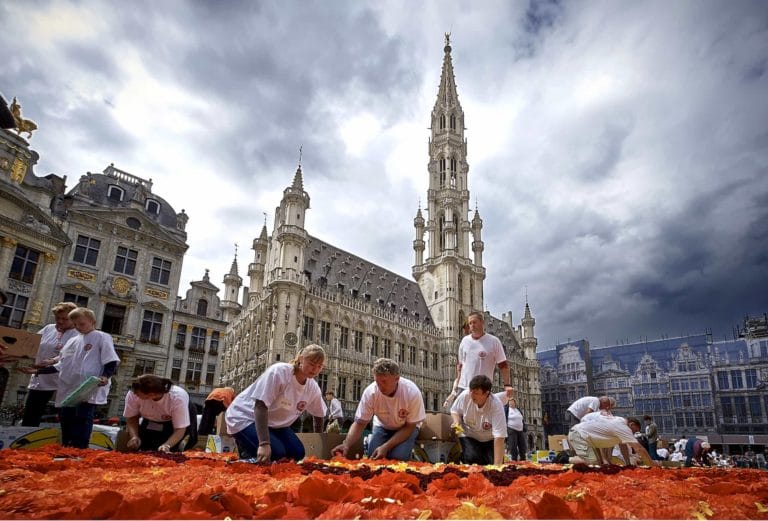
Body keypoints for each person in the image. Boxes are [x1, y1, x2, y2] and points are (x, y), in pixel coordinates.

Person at [20, 307, 120, 448]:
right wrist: (38, 371)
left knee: (83, 417)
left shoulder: (102, 337)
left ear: (93, 322)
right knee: (66, 417)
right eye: (76, 324)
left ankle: (80, 448)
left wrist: (105, 376)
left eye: (82, 324)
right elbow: (62, 364)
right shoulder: (72, 341)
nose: (79, 327)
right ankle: (67, 445)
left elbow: (111, 360)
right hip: (69, 386)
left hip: (88, 386)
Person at [226, 344, 327, 462]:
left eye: (319, 366)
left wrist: (319, 441)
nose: (315, 369)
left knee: (297, 453)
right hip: (245, 416)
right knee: (277, 454)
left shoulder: (313, 387)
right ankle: (246, 455)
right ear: (301, 359)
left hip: (274, 425)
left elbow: (319, 414)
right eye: (311, 364)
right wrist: (264, 444)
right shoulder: (280, 372)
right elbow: (260, 406)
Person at [332, 358, 425, 461]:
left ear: (397, 379)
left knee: (397, 457)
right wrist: (346, 444)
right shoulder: (371, 392)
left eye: (384, 381)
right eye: (377, 381)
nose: (380, 386)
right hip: (382, 426)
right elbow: (360, 423)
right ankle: (372, 441)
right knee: (374, 455)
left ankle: (410, 452)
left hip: (405, 428)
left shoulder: (412, 392)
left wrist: (386, 446)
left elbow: (409, 427)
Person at [21, 302, 79, 426]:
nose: (60, 321)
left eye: (65, 319)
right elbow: (31, 343)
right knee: (31, 415)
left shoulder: (78, 334)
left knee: (63, 417)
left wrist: (53, 360)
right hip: (41, 380)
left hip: (62, 381)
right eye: (58, 318)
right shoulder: (48, 328)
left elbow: (70, 353)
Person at [124, 374, 197, 452]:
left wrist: (167, 445)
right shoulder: (133, 394)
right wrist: (134, 436)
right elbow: (131, 418)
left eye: (137, 394)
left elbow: (180, 429)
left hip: (177, 418)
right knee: (145, 446)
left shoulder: (177, 398)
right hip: (149, 418)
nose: (134, 394)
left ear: (151, 395)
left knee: (175, 449)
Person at [450, 374, 507, 465]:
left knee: (493, 462)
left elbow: (499, 437)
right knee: (472, 459)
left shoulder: (496, 405)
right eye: (471, 391)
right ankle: (464, 456)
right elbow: (455, 410)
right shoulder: (465, 395)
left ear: (486, 393)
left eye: (476, 393)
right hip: (469, 435)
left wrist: (497, 468)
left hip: (489, 438)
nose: (472, 395)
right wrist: (456, 421)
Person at [456, 311, 513, 397]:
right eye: (470, 323)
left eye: (474, 322)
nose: (472, 325)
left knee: (481, 410)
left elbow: (503, 365)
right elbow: (460, 365)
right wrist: (457, 382)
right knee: (457, 410)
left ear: (482, 323)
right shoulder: (464, 341)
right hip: (464, 387)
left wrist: (507, 385)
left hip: (482, 389)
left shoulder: (494, 341)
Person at [568, 414, 656, 467]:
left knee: (598, 464)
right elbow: (639, 449)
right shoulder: (623, 427)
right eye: (634, 431)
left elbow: (623, 446)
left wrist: (628, 464)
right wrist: (652, 466)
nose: (633, 434)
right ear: (631, 424)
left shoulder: (620, 424)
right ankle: (567, 459)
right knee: (593, 462)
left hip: (584, 436)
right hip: (579, 435)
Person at [504, 397, 527, 461]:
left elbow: (522, 419)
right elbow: (503, 418)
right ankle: (514, 460)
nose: (511, 403)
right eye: (510, 402)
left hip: (520, 430)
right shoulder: (507, 409)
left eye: (513, 401)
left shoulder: (518, 410)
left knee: (522, 446)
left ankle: (523, 459)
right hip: (511, 429)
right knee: (513, 446)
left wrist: (524, 427)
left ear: (515, 403)